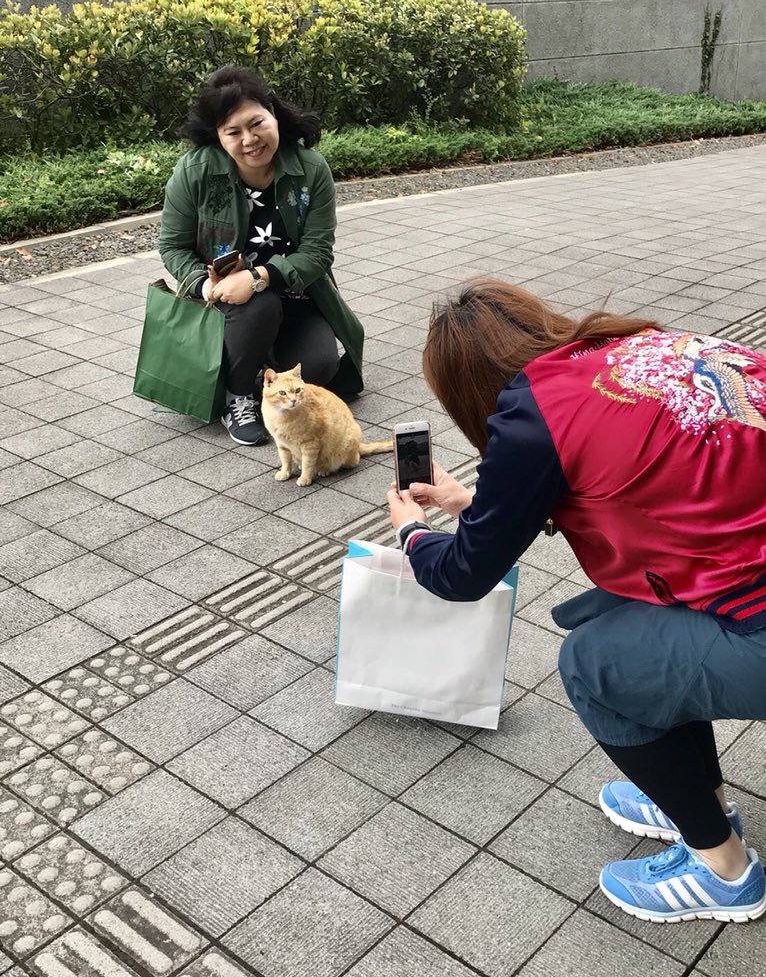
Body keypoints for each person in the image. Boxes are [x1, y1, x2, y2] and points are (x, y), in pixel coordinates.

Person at [387, 278, 766, 924]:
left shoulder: (529, 417)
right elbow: (627, 480)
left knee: (594, 665)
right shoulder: (637, 347)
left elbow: (461, 576)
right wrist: (465, 505)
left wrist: (411, 533)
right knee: (614, 615)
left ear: (463, 386)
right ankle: (697, 795)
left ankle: (724, 871)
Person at [159, 65, 364, 445]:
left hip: (297, 294)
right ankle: (237, 396)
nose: (249, 140)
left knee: (318, 367)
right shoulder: (195, 172)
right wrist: (208, 286)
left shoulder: (310, 169)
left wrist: (258, 276)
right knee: (260, 308)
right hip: (229, 303)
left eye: (256, 123)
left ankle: (259, 358)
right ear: (217, 137)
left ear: (273, 113)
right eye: (232, 132)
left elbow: (318, 252)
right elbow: (172, 245)